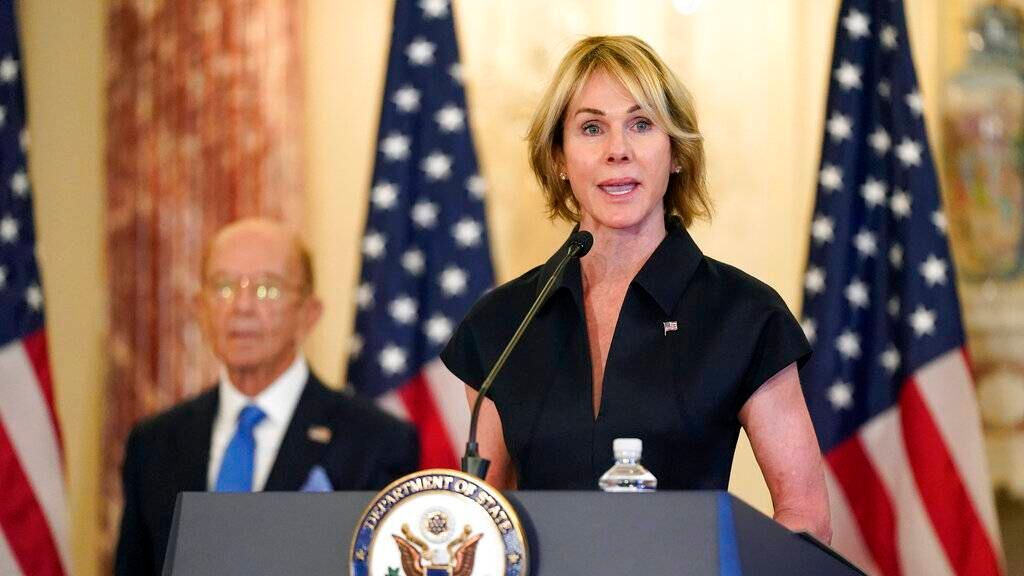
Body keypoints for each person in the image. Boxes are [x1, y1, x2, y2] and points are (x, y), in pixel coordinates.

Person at [440, 36, 831, 542]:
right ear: (558, 157)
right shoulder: (503, 323)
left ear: (676, 152)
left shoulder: (744, 315)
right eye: (591, 128)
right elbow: (485, 526)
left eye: (641, 124)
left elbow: (805, 516)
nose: (617, 151)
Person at [115, 219, 419, 575]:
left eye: (267, 289)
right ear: (201, 308)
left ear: (309, 314)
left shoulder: (376, 442)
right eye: (224, 286)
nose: (242, 306)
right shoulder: (153, 443)